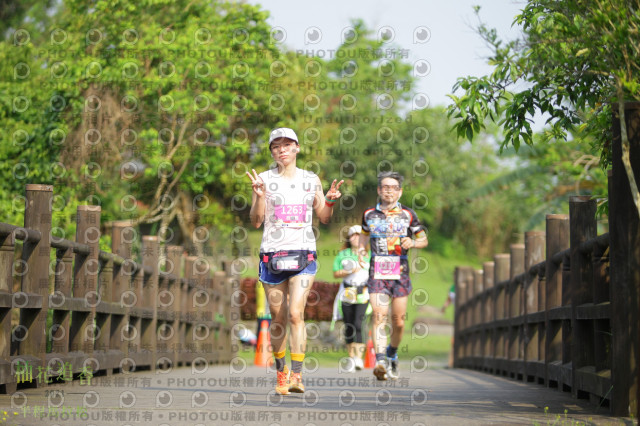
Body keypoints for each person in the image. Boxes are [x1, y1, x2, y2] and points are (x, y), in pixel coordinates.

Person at [246, 127, 343, 395]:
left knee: (296, 314)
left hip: (303, 254)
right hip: (272, 257)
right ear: (272, 152)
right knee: (278, 318)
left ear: (297, 148)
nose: (282, 149)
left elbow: (323, 216)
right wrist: (259, 196)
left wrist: (331, 202)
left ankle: (297, 376)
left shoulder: (311, 180)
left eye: (287, 144)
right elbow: (256, 222)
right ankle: (281, 374)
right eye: (276, 146)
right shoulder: (263, 179)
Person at [358, 171, 428, 380]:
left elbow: (423, 239)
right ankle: (379, 360)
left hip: (401, 272)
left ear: (400, 191)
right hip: (377, 272)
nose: (389, 191)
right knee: (379, 316)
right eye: (385, 187)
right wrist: (361, 251)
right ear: (379, 190)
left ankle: (392, 354)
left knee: (398, 322)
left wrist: (413, 243)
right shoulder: (369, 214)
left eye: (393, 188)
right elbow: (363, 236)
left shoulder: (408, 214)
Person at [332, 225, 371, 372]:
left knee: (359, 324)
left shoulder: (369, 254)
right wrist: (348, 270)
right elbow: (335, 273)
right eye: (353, 235)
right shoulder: (343, 254)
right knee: (348, 325)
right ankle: (351, 357)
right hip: (347, 292)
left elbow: (374, 273)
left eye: (359, 235)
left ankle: (359, 358)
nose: (356, 238)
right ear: (349, 238)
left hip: (363, 292)